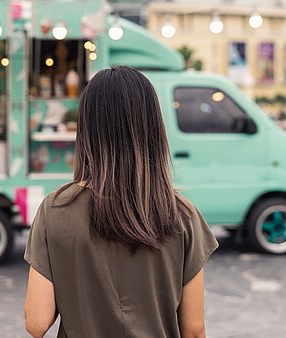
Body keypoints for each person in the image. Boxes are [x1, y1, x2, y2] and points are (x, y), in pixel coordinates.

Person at [24, 66, 218, 338]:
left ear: (86, 128)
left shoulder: (56, 209)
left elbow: (37, 322)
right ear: (153, 129)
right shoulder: (183, 215)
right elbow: (194, 330)